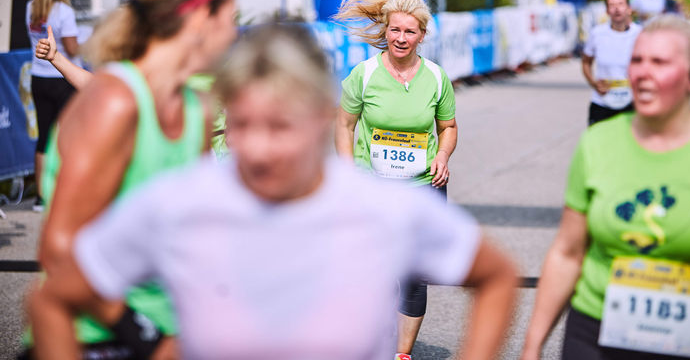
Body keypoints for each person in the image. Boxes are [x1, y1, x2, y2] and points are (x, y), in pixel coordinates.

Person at [28, 24, 518, 360]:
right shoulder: (184, 201)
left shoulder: (381, 205)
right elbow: (52, 298)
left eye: (280, 127)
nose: (258, 149)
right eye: (242, 126)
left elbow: (496, 277)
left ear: (321, 117)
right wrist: (149, 339)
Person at [521, 15, 690, 360]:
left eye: (659, 62)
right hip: (594, 334)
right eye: (637, 60)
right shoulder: (598, 143)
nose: (642, 73)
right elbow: (567, 253)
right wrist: (532, 345)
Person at [24, 0, 238, 359]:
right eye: (230, 18)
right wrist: (143, 334)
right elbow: (60, 248)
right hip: (94, 338)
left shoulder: (196, 110)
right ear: (198, 19)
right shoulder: (115, 102)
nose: (232, 34)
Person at [334, 0, 457, 360]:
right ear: (386, 30)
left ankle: (401, 354)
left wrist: (442, 155)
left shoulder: (436, 78)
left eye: (410, 32)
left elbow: (448, 128)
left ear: (422, 36)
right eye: (395, 30)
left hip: (422, 187)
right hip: (373, 186)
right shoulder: (364, 75)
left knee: (414, 274)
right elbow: (344, 125)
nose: (401, 38)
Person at [25, 0, 81, 212]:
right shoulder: (64, 11)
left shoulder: (31, 7)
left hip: (38, 76)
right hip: (62, 77)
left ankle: (41, 197)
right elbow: (72, 49)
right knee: (66, 136)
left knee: (44, 136)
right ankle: (66, 192)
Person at [582, 0, 642, 126]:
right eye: (612, 5)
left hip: (631, 103)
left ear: (629, 9)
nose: (616, 8)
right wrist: (593, 83)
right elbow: (586, 62)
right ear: (607, 11)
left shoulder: (640, 34)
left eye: (621, 4)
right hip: (602, 102)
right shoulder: (597, 33)